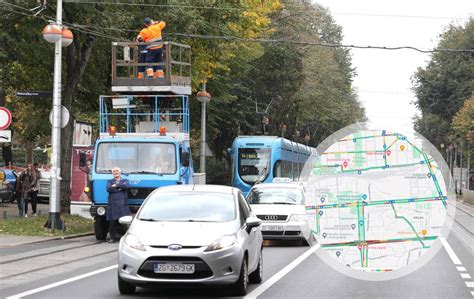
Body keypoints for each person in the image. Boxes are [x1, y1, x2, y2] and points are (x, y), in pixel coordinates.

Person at [106, 167, 130, 243]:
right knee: (112, 222)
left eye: (117, 171)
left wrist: (115, 186)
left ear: (120, 172)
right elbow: (108, 189)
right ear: (112, 173)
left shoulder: (125, 181)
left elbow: (126, 187)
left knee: (125, 222)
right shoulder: (109, 181)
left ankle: (127, 238)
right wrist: (120, 187)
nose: (116, 172)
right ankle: (112, 237)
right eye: (114, 171)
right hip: (113, 205)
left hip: (123, 205)